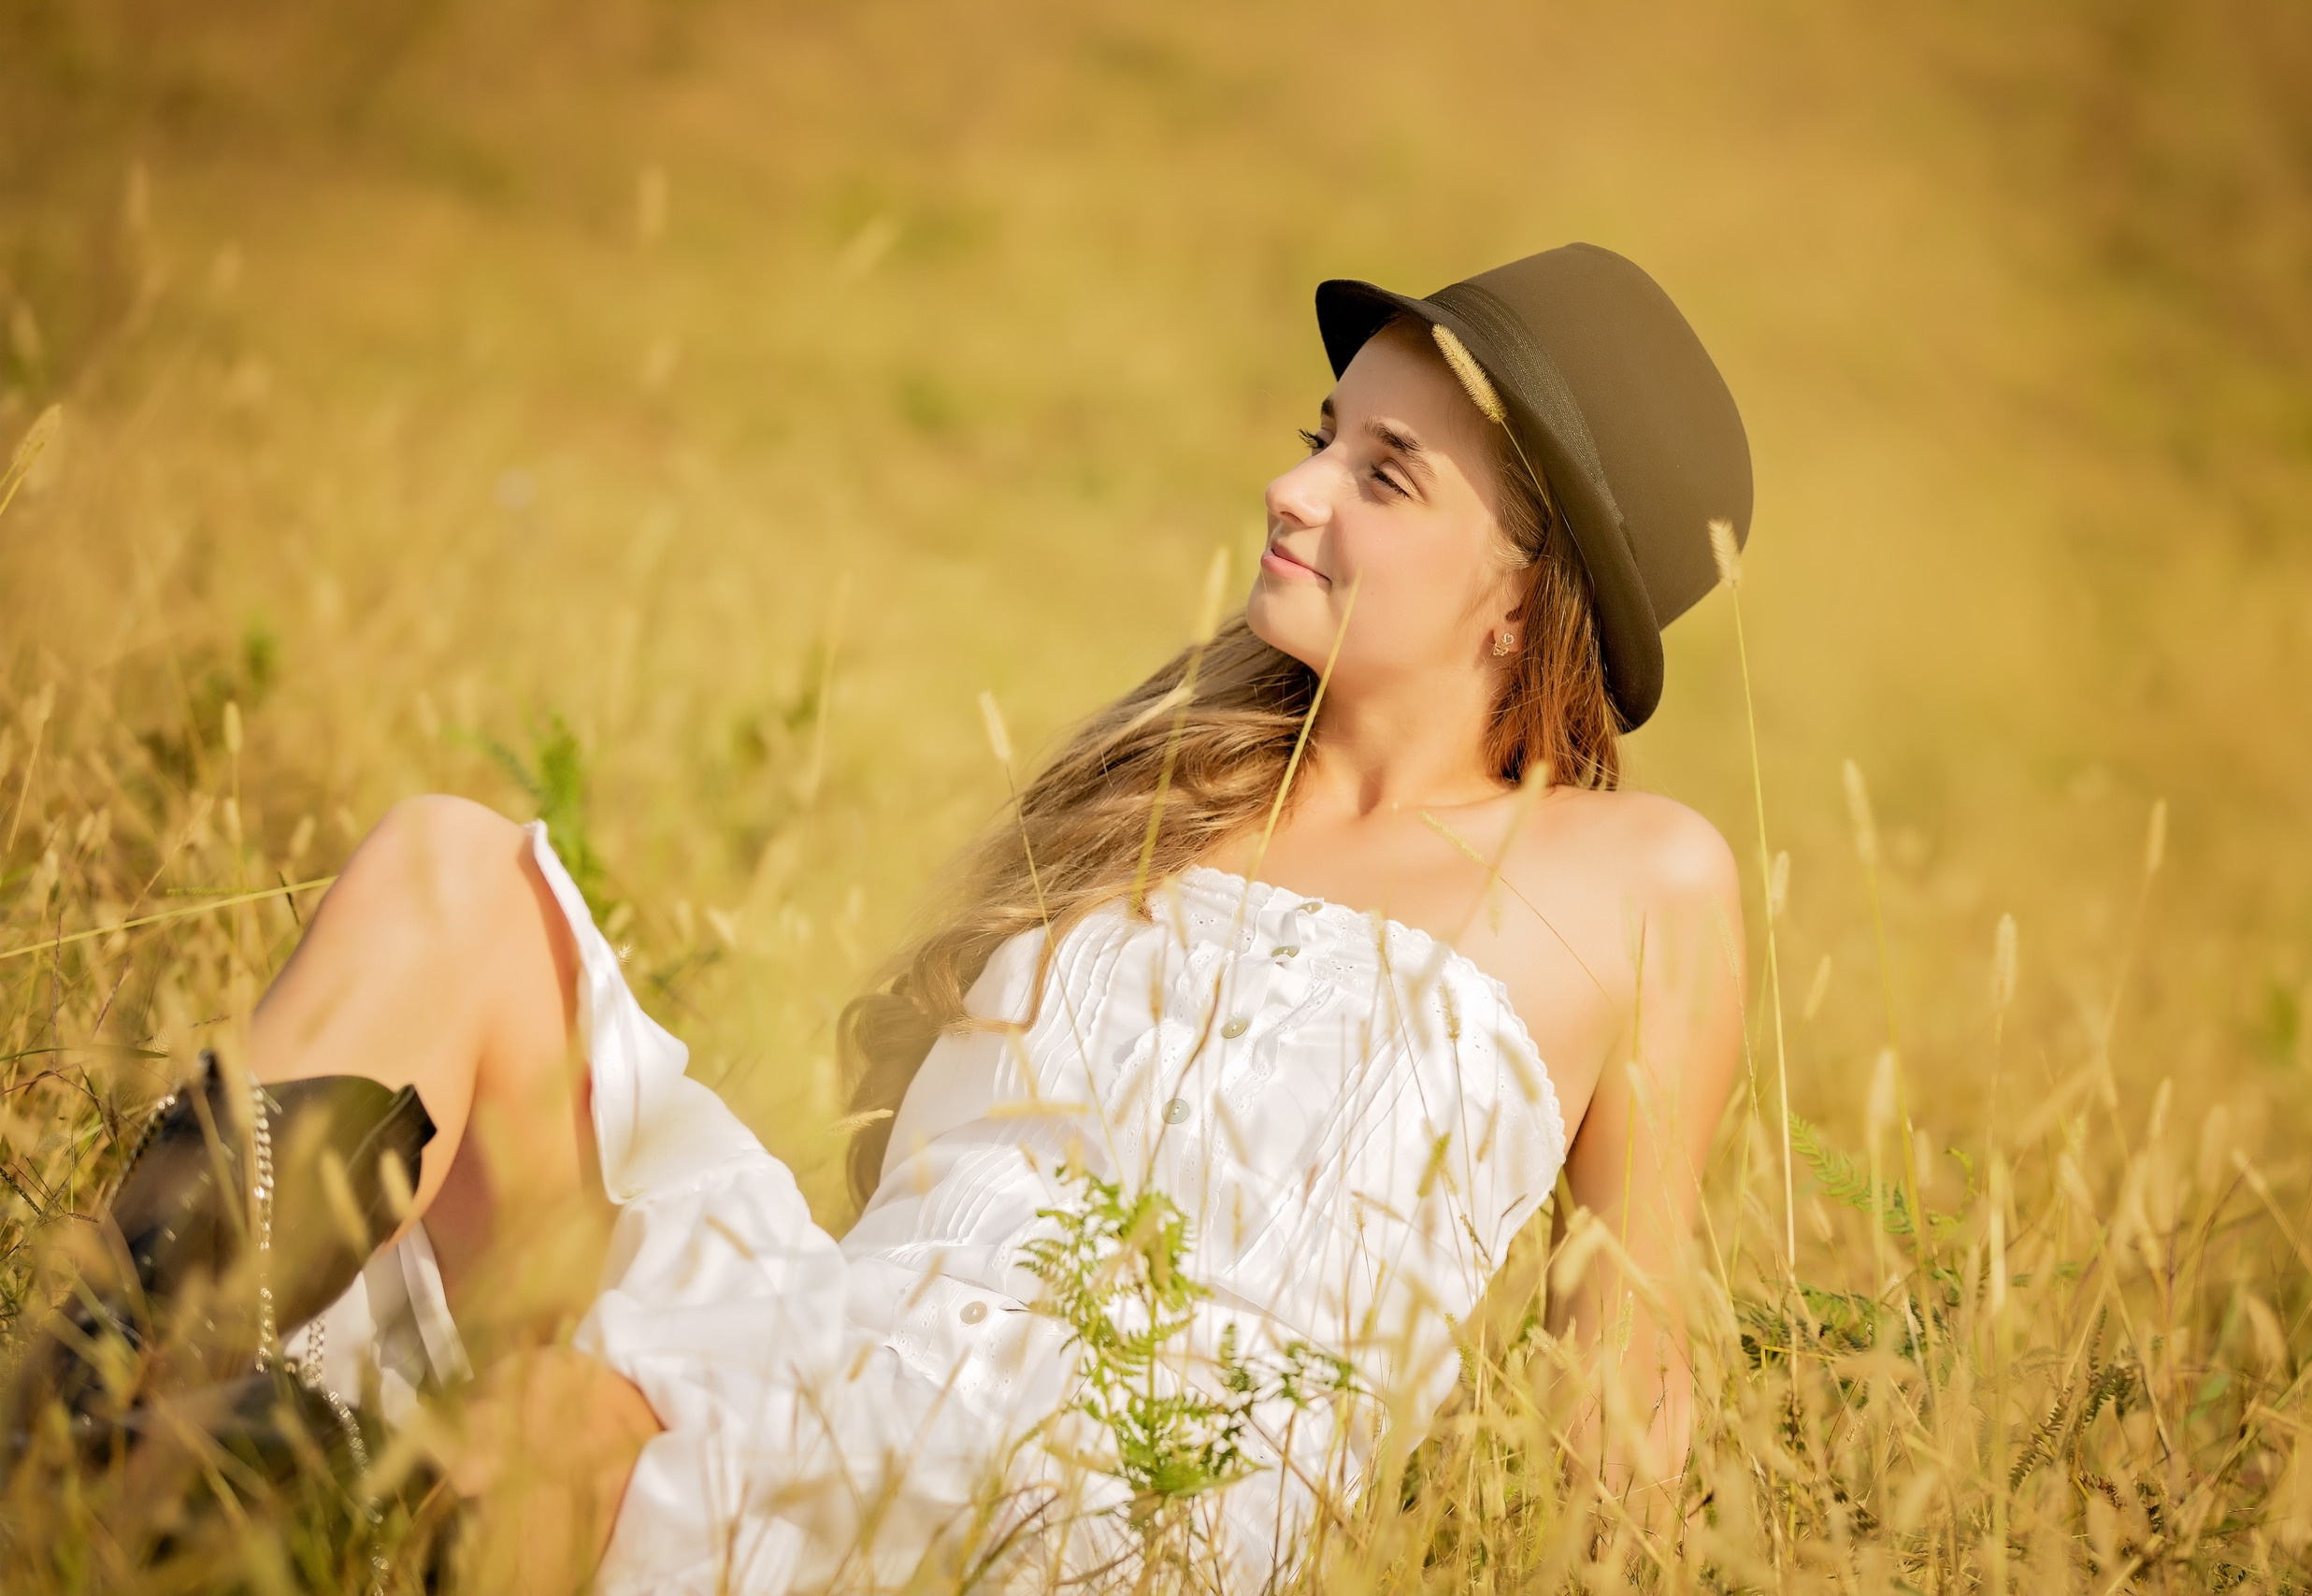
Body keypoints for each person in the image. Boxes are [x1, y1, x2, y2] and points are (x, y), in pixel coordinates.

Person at [45, 243, 1751, 1593]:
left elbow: (1628, 1396)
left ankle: (263, 1487)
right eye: (1323, 438)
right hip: (847, 1331)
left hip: (1102, 1491)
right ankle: (83, 1462)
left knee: (564, 1429)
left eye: (1387, 476)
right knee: (443, 869)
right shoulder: (1180, 788)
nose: (1295, 492)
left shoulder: (1634, 881)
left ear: (1532, 586)